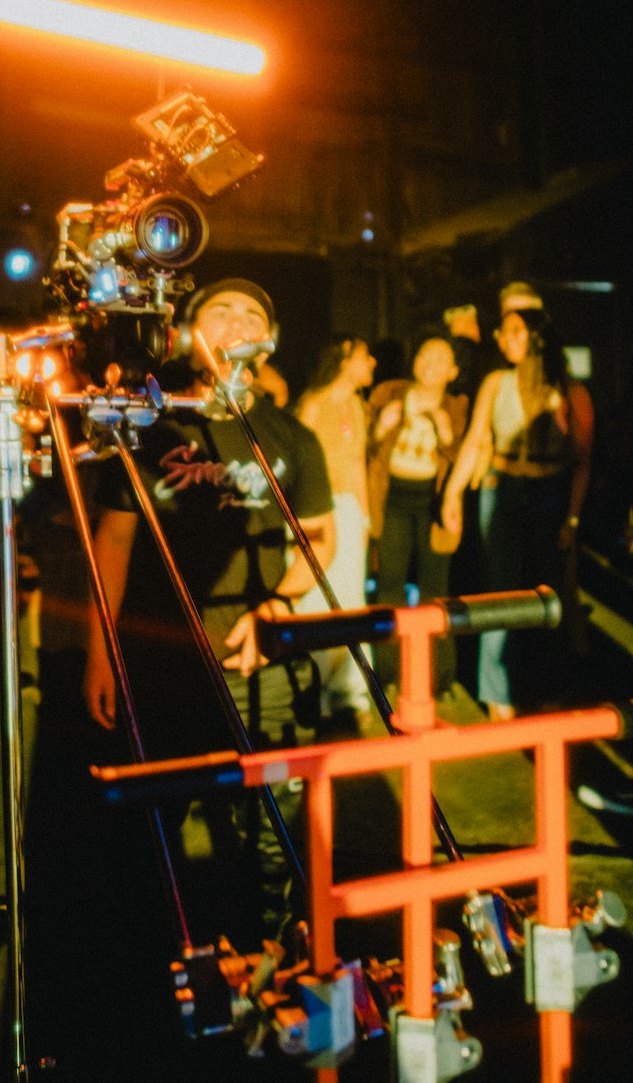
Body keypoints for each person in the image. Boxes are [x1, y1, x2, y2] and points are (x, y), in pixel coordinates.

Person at [83, 279, 335, 942]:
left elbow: (321, 537)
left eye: (251, 312)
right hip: (163, 660)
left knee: (271, 822)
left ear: (269, 339)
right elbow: (111, 540)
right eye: (218, 311)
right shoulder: (149, 428)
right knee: (156, 819)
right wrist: (100, 652)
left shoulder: (291, 434)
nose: (234, 322)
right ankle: (160, 953)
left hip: (263, 666)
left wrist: (280, 605)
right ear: (186, 334)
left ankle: (269, 948)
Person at [441, 305, 593, 718]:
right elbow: (475, 440)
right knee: (501, 592)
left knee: (550, 595)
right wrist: (452, 494)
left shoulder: (569, 389)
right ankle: (498, 695)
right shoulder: (496, 382)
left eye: (513, 331)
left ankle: (548, 691)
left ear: (536, 338)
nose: (502, 338)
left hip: (551, 491)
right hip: (503, 488)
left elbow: (582, 462)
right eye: (502, 331)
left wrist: (573, 519)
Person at [367, 332, 469, 697]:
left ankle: (440, 678)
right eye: (425, 354)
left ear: (452, 371)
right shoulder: (390, 394)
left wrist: (445, 434)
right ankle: (388, 674)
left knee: (435, 589)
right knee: (389, 584)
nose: (430, 363)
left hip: (433, 502)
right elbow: (366, 445)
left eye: (440, 359)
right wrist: (380, 428)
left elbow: (467, 458)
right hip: (394, 496)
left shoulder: (457, 406)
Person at [294, 334, 376, 719]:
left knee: (350, 597)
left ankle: (351, 690)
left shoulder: (356, 406)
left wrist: (364, 516)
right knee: (317, 599)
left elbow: (358, 461)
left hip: (347, 510)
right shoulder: (313, 404)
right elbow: (298, 469)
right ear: (345, 359)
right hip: (317, 511)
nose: (372, 362)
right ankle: (315, 690)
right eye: (365, 356)